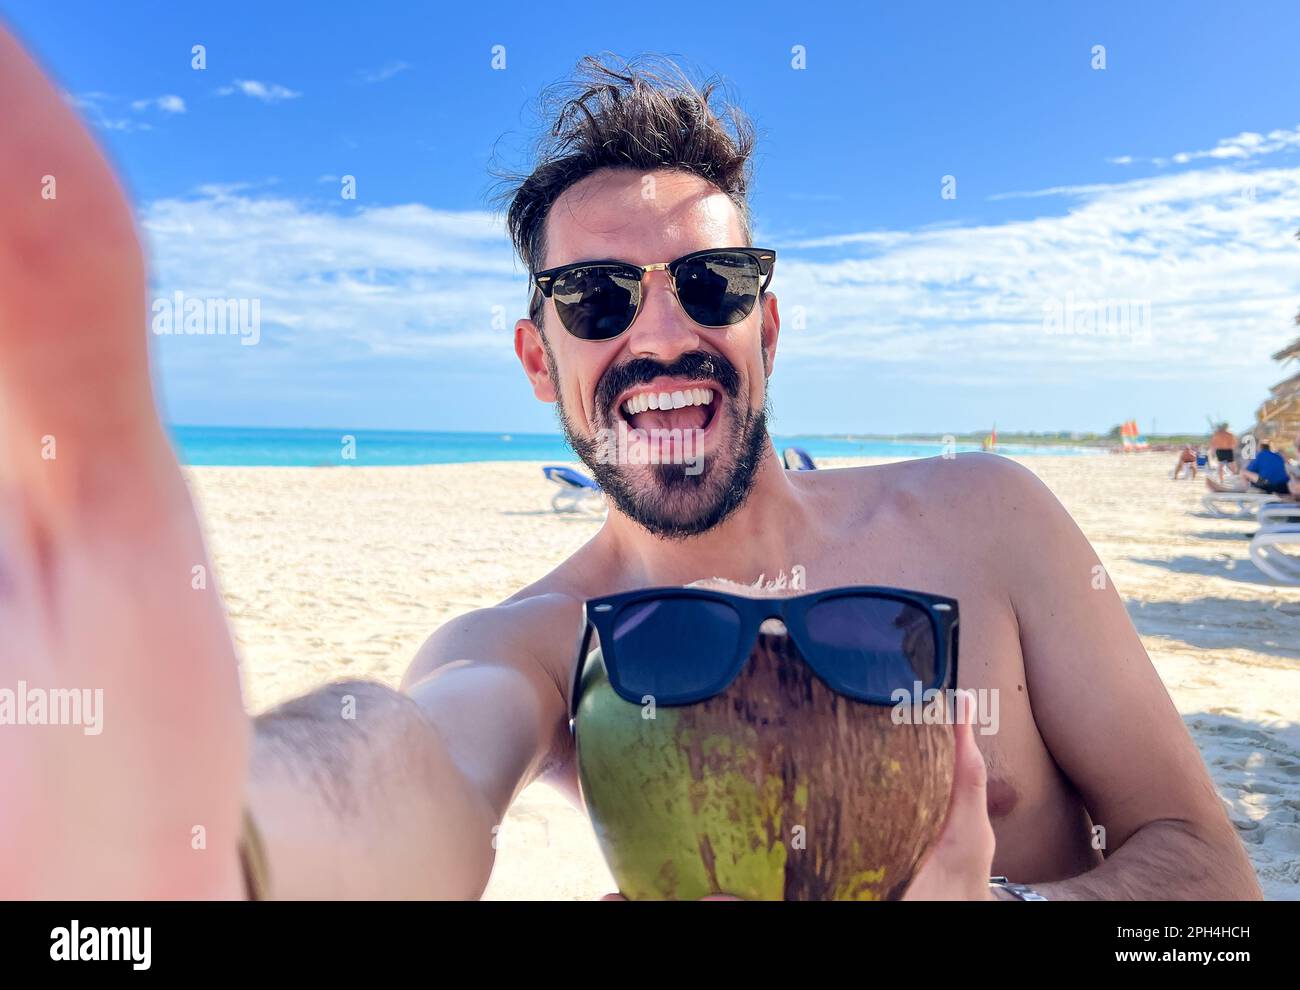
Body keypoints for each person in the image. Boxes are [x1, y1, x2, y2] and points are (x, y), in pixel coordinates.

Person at [0, 35, 1261, 901]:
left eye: (709, 285)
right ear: (538, 361)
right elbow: (420, 764)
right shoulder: (543, 643)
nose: (662, 333)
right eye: (596, 298)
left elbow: (1206, 867)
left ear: (764, 327)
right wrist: (227, 841)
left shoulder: (991, 520)